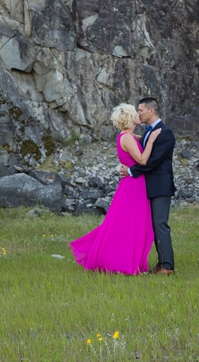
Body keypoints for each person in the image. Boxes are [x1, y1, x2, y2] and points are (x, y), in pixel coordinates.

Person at [70, 103, 161, 275]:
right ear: (129, 117)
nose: (138, 115)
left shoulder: (128, 135)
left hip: (133, 182)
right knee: (130, 223)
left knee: (132, 222)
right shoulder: (126, 137)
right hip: (134, 184)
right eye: (135, 113)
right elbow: (142, 160)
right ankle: (122, 262)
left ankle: (130, 260)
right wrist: (151, 141)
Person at [119, 97, 176, 275]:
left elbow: (152, 161)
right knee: (153, 225)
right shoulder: (148, 131)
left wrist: (130, 171)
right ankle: (161, 264)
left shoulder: (165, 133)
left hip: (160, 186)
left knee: (160, 224)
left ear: (151, 111)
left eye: (141, 110)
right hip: (148, 186)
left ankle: (167, 266)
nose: (138, 113)